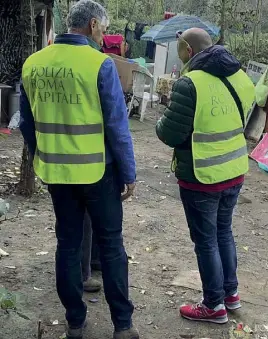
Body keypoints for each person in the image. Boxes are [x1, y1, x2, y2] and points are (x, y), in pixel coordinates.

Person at [19, 1, 139, 338]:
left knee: (68, 245)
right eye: (103, 27)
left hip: (57, 173)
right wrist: (129, 173)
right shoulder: (98, 64)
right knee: (112, 244)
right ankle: (123, 326)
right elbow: (117, 127)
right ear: (93, 26)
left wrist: (44, 156)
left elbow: (26, 123)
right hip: (98, 173)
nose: (104, 33)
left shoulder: (33, 64)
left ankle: (75, 322)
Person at [156, 28, 255, 324]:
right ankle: (230, 294)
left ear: (188, 48)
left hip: (202, 176)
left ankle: (213, 305)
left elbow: (170, 133)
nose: (179, 53)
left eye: (179, 48)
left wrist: (163, 119)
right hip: (234, 170)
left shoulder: (191, 83)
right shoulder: (241, 76)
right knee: (223, 233)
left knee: (206, 242)